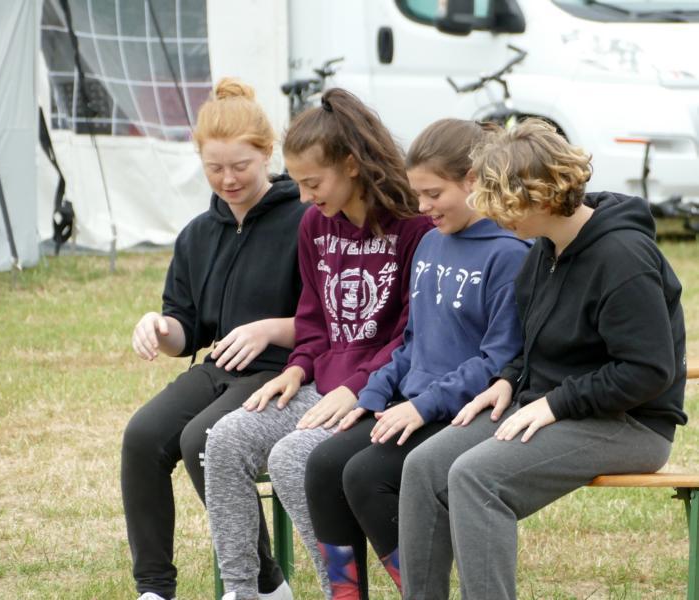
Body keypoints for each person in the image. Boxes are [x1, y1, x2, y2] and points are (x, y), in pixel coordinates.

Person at [399, 118, 688, 600]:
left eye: (502, 202)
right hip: (551, 404)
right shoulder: (545, 249)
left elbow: (648, 372)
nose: (492, 213)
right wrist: (508, 378)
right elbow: (531, 338)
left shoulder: (623, 257)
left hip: (631, 422)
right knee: (423, 468)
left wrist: (554, 404)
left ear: (542, 197)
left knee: (476, 478)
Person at [204, 88, 432, 600]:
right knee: (225, 439)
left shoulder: (415, 228)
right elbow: (313, 318)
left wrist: (358, 388)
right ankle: (243, 592)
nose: (304, 197)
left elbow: (411, 335)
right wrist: (297, 367)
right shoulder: (315, 225)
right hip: (324, 385)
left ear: (351, 165)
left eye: (313, 183)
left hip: (384, 392)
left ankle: (343, 593)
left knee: (293, 458)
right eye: (299, 183)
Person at [295, 118, 530, 599]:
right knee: (322, 465)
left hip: (462, 411)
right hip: (413, 402)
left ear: (473, 181)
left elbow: (498, 360)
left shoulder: (509, 254)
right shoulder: (429, 243)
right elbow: (411, 341)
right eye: (417, 193)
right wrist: (373, 393)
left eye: (433, 194)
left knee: (367, 476)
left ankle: (423, 591)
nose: (422, 207)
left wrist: (422, 406)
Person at [121, 78, 306, 600]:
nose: (228, 179)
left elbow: (332, 321)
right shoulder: (198, 234)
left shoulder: (306, 221)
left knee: (202, 438)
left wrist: (271, 329)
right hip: (219, 370)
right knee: (141, 438)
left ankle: (267, 584)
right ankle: (154, 590)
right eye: (214, 168)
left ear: (266, 153)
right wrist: (160, 328)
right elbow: (187, 331)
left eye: (240, 166)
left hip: (285, 371)